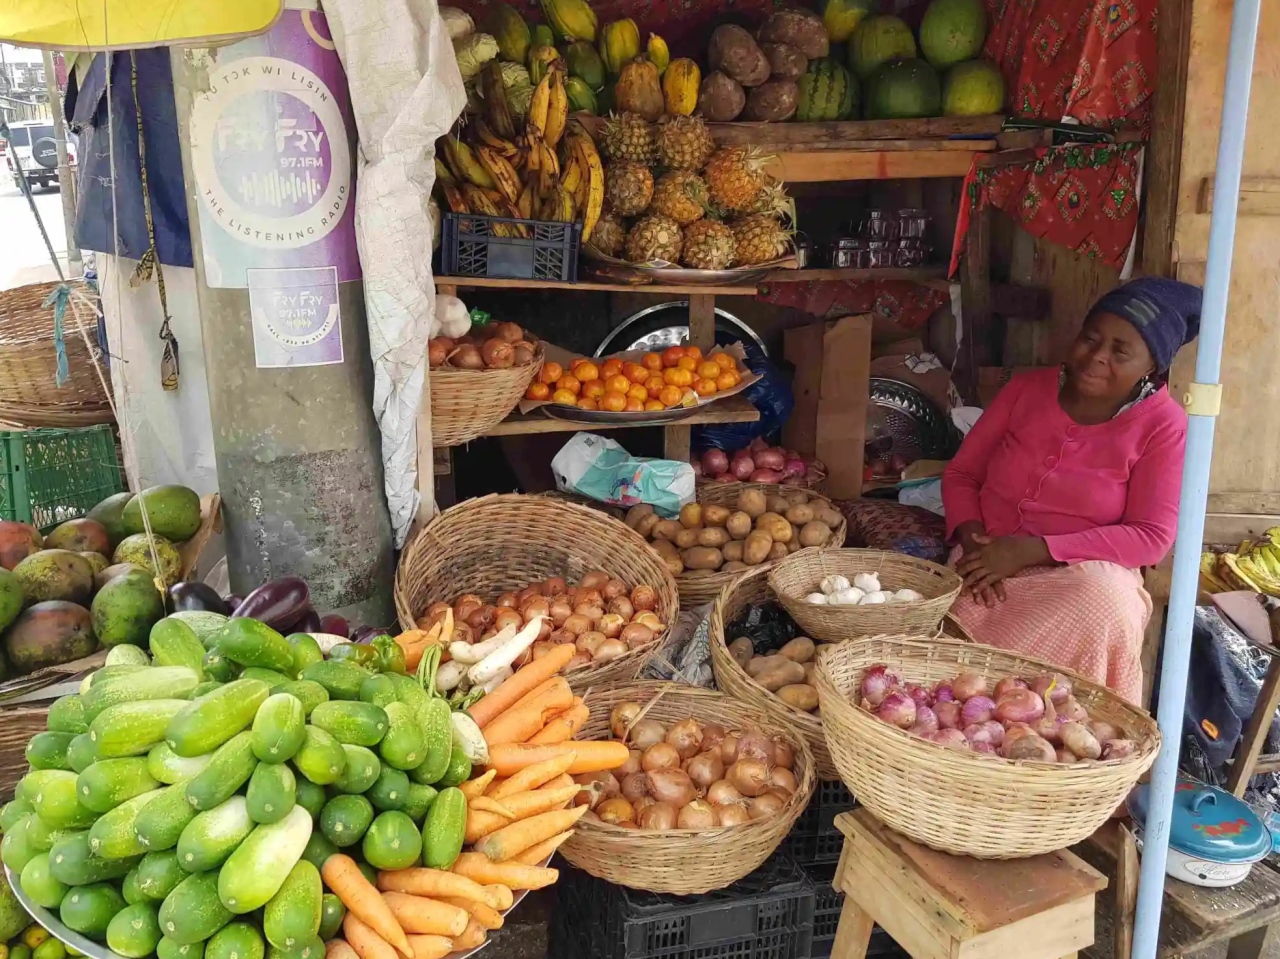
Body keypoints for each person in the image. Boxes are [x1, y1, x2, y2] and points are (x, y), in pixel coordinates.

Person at [941, 277, 1203, 703]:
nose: (1097, 356)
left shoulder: (1163, 425)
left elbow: (1150, 536)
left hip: (1077, 579)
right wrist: (972, 541)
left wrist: (1032, 550)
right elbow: (962, 475)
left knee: (1105, 603)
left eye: (1120, 351)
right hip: (985, 561)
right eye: (1090, 338)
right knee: (955, 685)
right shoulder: (1026, 390)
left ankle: (1066, 727)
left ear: (1151, 366)